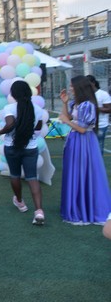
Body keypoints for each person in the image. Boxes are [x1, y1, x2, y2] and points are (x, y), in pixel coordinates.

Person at [58, 75, 111, 225]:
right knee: (75, 172)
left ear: (79, 87)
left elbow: (82, 129)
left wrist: (67, 121)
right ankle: (78, 206)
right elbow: (68, 117)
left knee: (84, 172)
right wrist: (65, 103)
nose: (70, 88)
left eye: (72, 86)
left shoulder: (87, 105)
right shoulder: (76, 103)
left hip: (84, 142)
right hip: (76, 141)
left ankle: (86, 208)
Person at [0, 80, 45, 225]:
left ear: (13, 94)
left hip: (12, 147)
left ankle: (20, 202)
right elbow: (38, 129)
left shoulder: (9, 108)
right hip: (30, 147)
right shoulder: (37, 109)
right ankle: (39, 211)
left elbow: (10, 124)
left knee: (14, 175)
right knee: (32, 178)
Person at [86, 75, 111, 154]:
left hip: (100, 125)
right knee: (87, 147)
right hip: (87, 125)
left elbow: (109, 109)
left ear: (93, 83)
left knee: (98, 147)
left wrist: (95, 108)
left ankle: (98, 161)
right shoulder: (85, 94)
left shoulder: (103, 94)